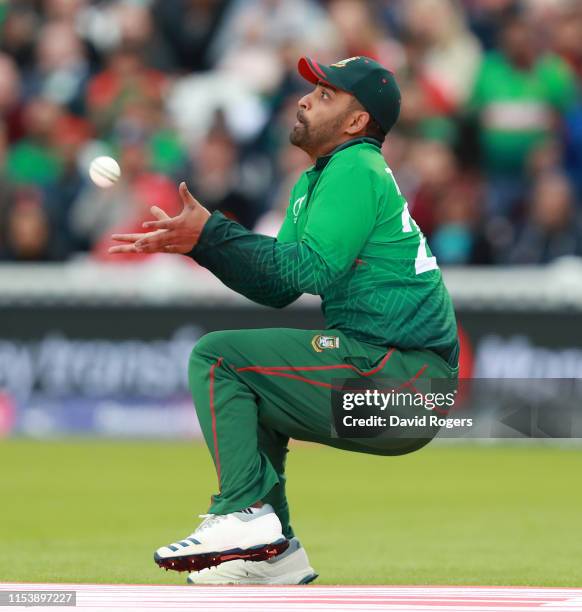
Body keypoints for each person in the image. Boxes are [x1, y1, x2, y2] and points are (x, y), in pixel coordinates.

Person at [110, 56, 459, 585]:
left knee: (218, 357)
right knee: (254, 392)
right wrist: (204, 245)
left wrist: (214, 235)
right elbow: (279, 287)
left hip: (406, 380)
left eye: (325, 94)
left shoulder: (355, 166)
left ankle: (240, 513)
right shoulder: (317, 181)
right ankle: (272, 555)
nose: (304, 99)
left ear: (356, 122)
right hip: (399, 378)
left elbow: (309, 267)